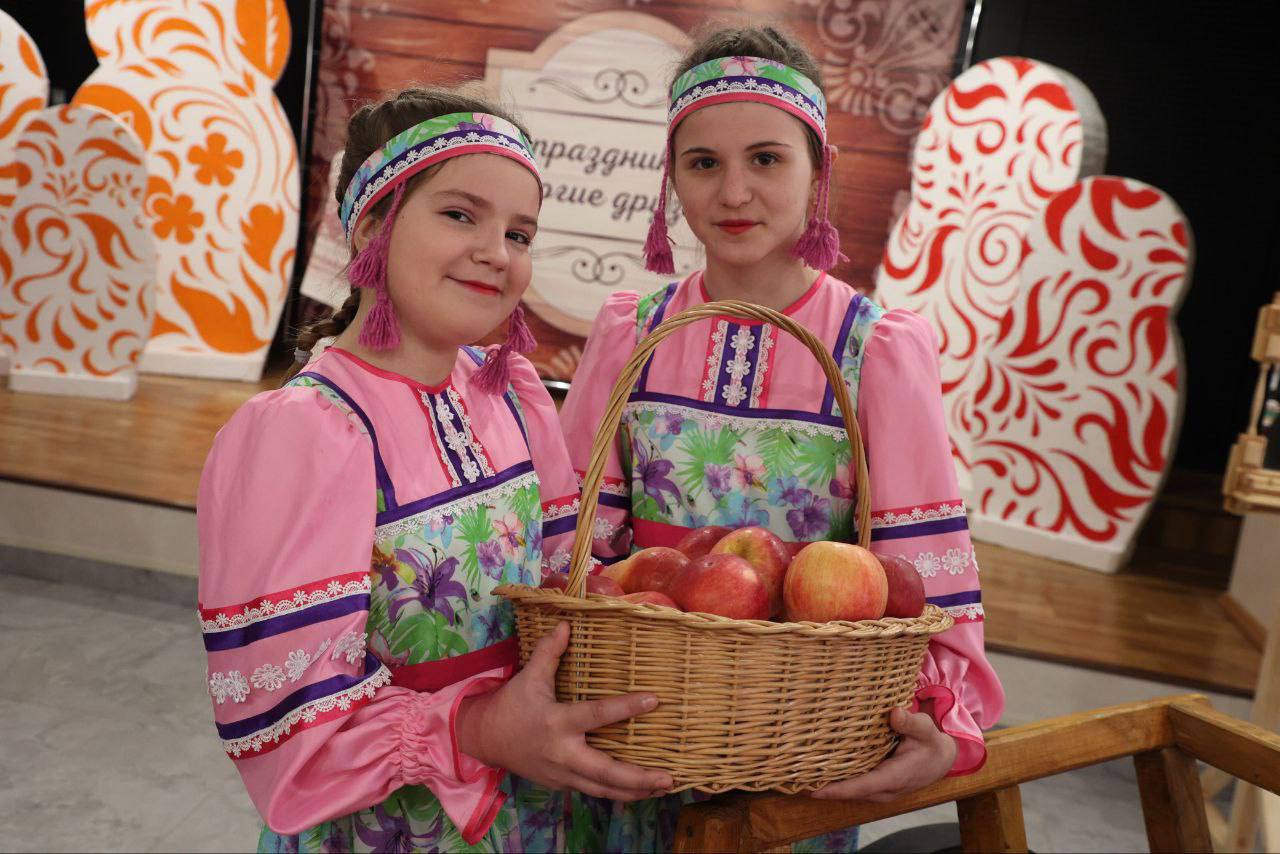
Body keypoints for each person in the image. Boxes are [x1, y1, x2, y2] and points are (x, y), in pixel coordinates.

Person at [559, 25, 1006, 851]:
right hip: (641, 724)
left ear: (818, 170)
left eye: (766, 158)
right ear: (671, 178)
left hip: (798, 737)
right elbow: (575, 542)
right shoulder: (631, 333)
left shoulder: (874, 350)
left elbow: (920, 576)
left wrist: (943, 716)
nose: (734, 192)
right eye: (703, 163)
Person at [197, 85, 671, 853]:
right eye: (459, 214)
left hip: (537, 814)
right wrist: (477, 728)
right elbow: (290, 738)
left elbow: (562, 580)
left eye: (519, 233)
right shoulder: (305, 433)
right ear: (370, 227)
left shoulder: (512, 394)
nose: (497, 252)